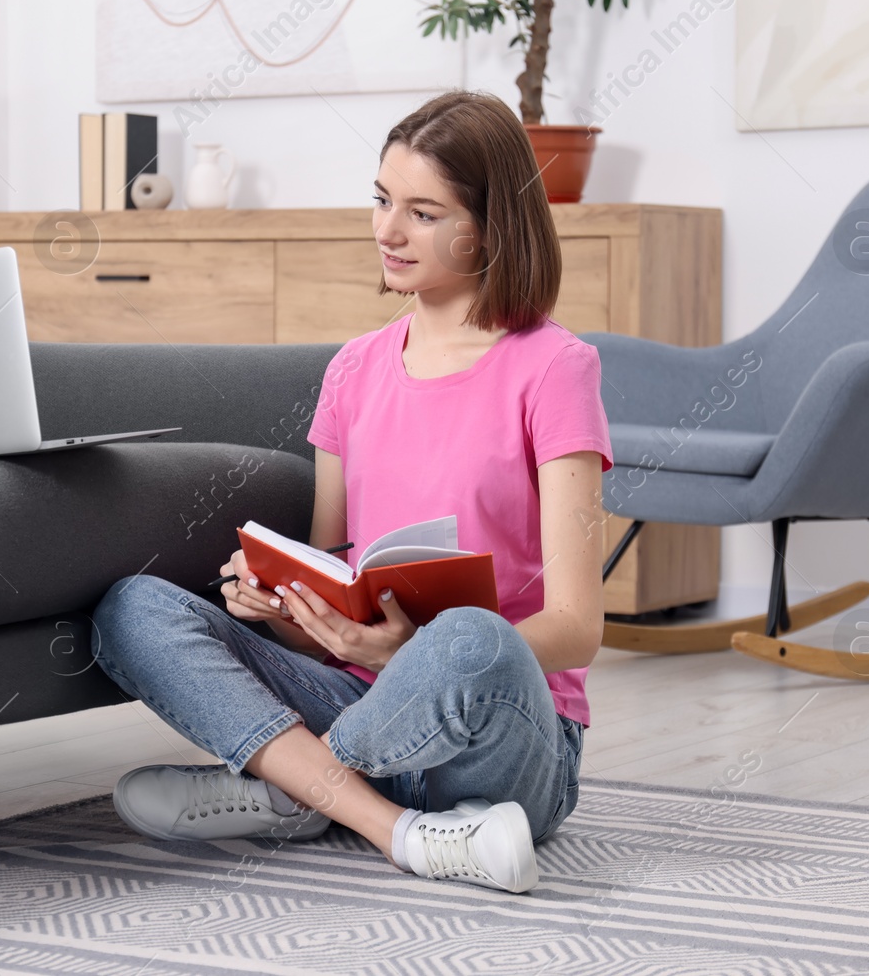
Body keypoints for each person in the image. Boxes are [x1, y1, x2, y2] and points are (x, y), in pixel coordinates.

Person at [90, 90, 613, 894]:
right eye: (381, 200)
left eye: (424, 212)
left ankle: (294, 789)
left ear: (493, 225)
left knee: (471, 636)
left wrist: (410, 652)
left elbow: (578, 629)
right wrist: (287, 607)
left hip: (499, 732)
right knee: (131, 608)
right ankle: (395, 828)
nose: (388, 231)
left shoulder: (555, 368)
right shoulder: (355, 369)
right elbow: (332, 569)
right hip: (358, 694)